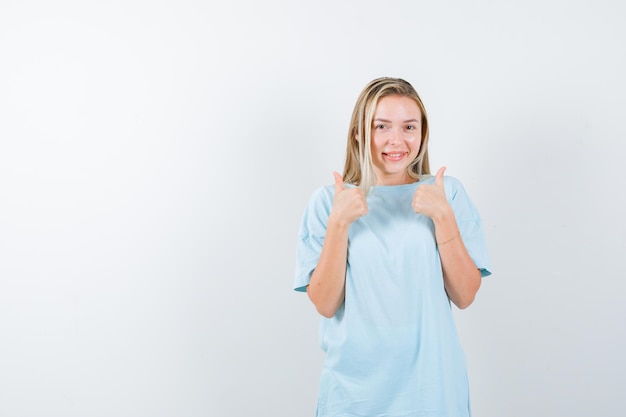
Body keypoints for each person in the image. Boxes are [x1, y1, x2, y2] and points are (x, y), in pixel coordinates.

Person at [294, 77, 492, 417]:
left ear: (422, 133)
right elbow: (325, 304)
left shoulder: (448, 194)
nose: (396, 140)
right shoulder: (329, 202)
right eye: (381, 126)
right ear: (359, 132)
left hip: (432, 391)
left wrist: (443, 218)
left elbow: (465, 295)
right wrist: (339, 224)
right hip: (354, 395)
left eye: (408, 127)